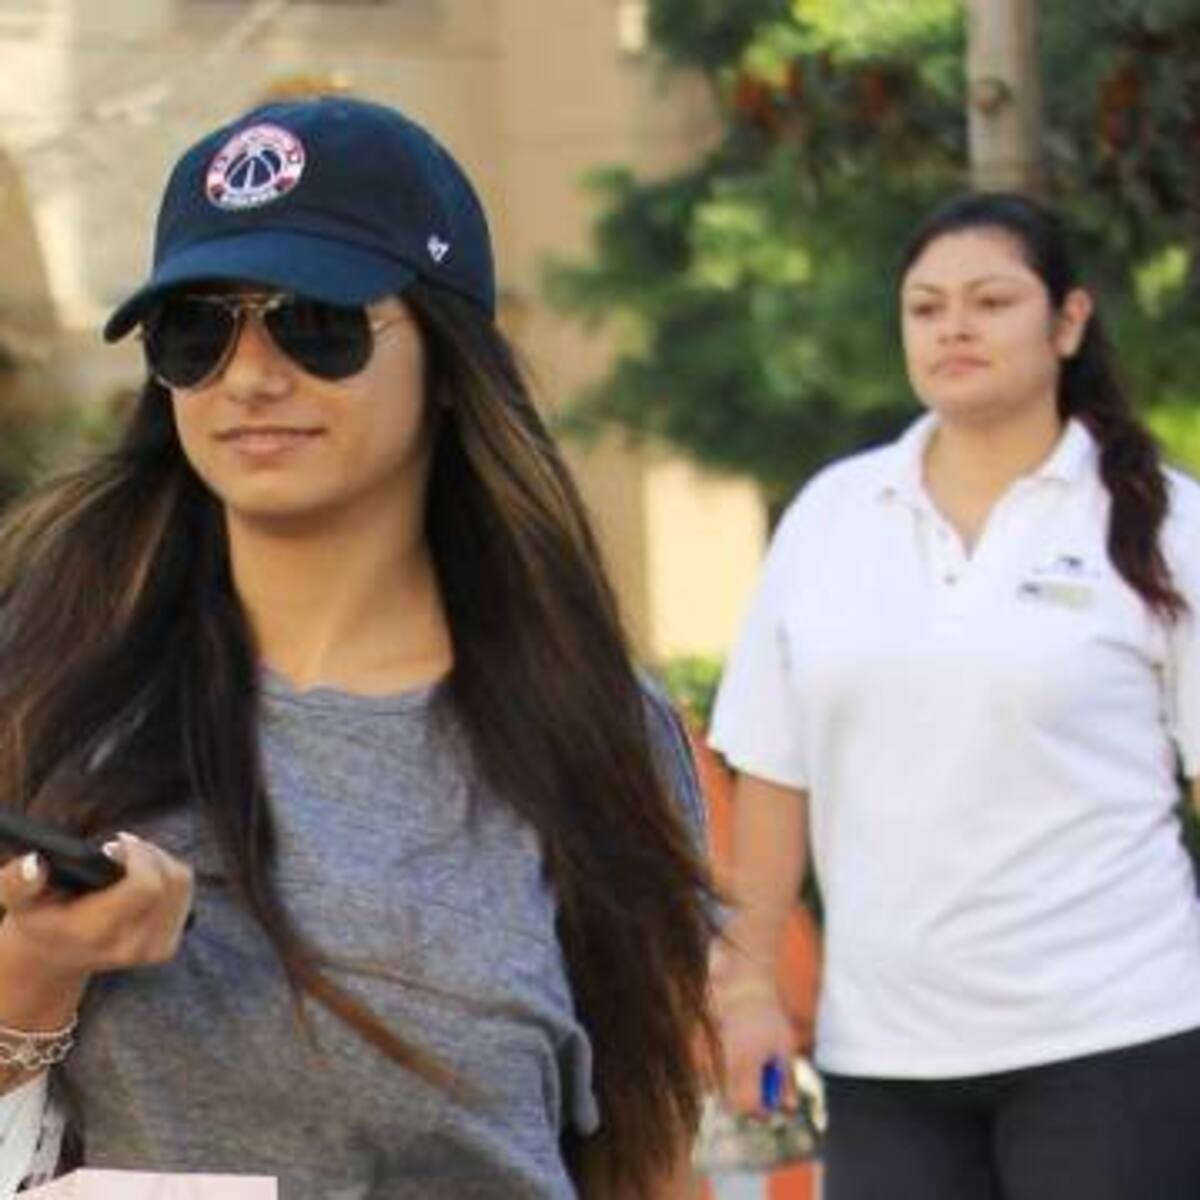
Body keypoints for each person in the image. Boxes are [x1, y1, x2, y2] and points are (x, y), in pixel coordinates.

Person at [0, 95, 718, 1199]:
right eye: (196, 331)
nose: (249, 375)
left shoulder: (595, 727)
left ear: (448, 359)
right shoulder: (51, 682)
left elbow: (650, 1151)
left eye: (314, 322)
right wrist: (35, 971)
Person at [709, 191, 1200, 1199]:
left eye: (991, 301)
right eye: (926, 308)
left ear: (1068, 321)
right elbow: (773, 774)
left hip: (1118, 1034)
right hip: (886, 1055)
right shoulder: (831, 516)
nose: (954, 328)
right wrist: (748, 984)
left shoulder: (1164, 524)